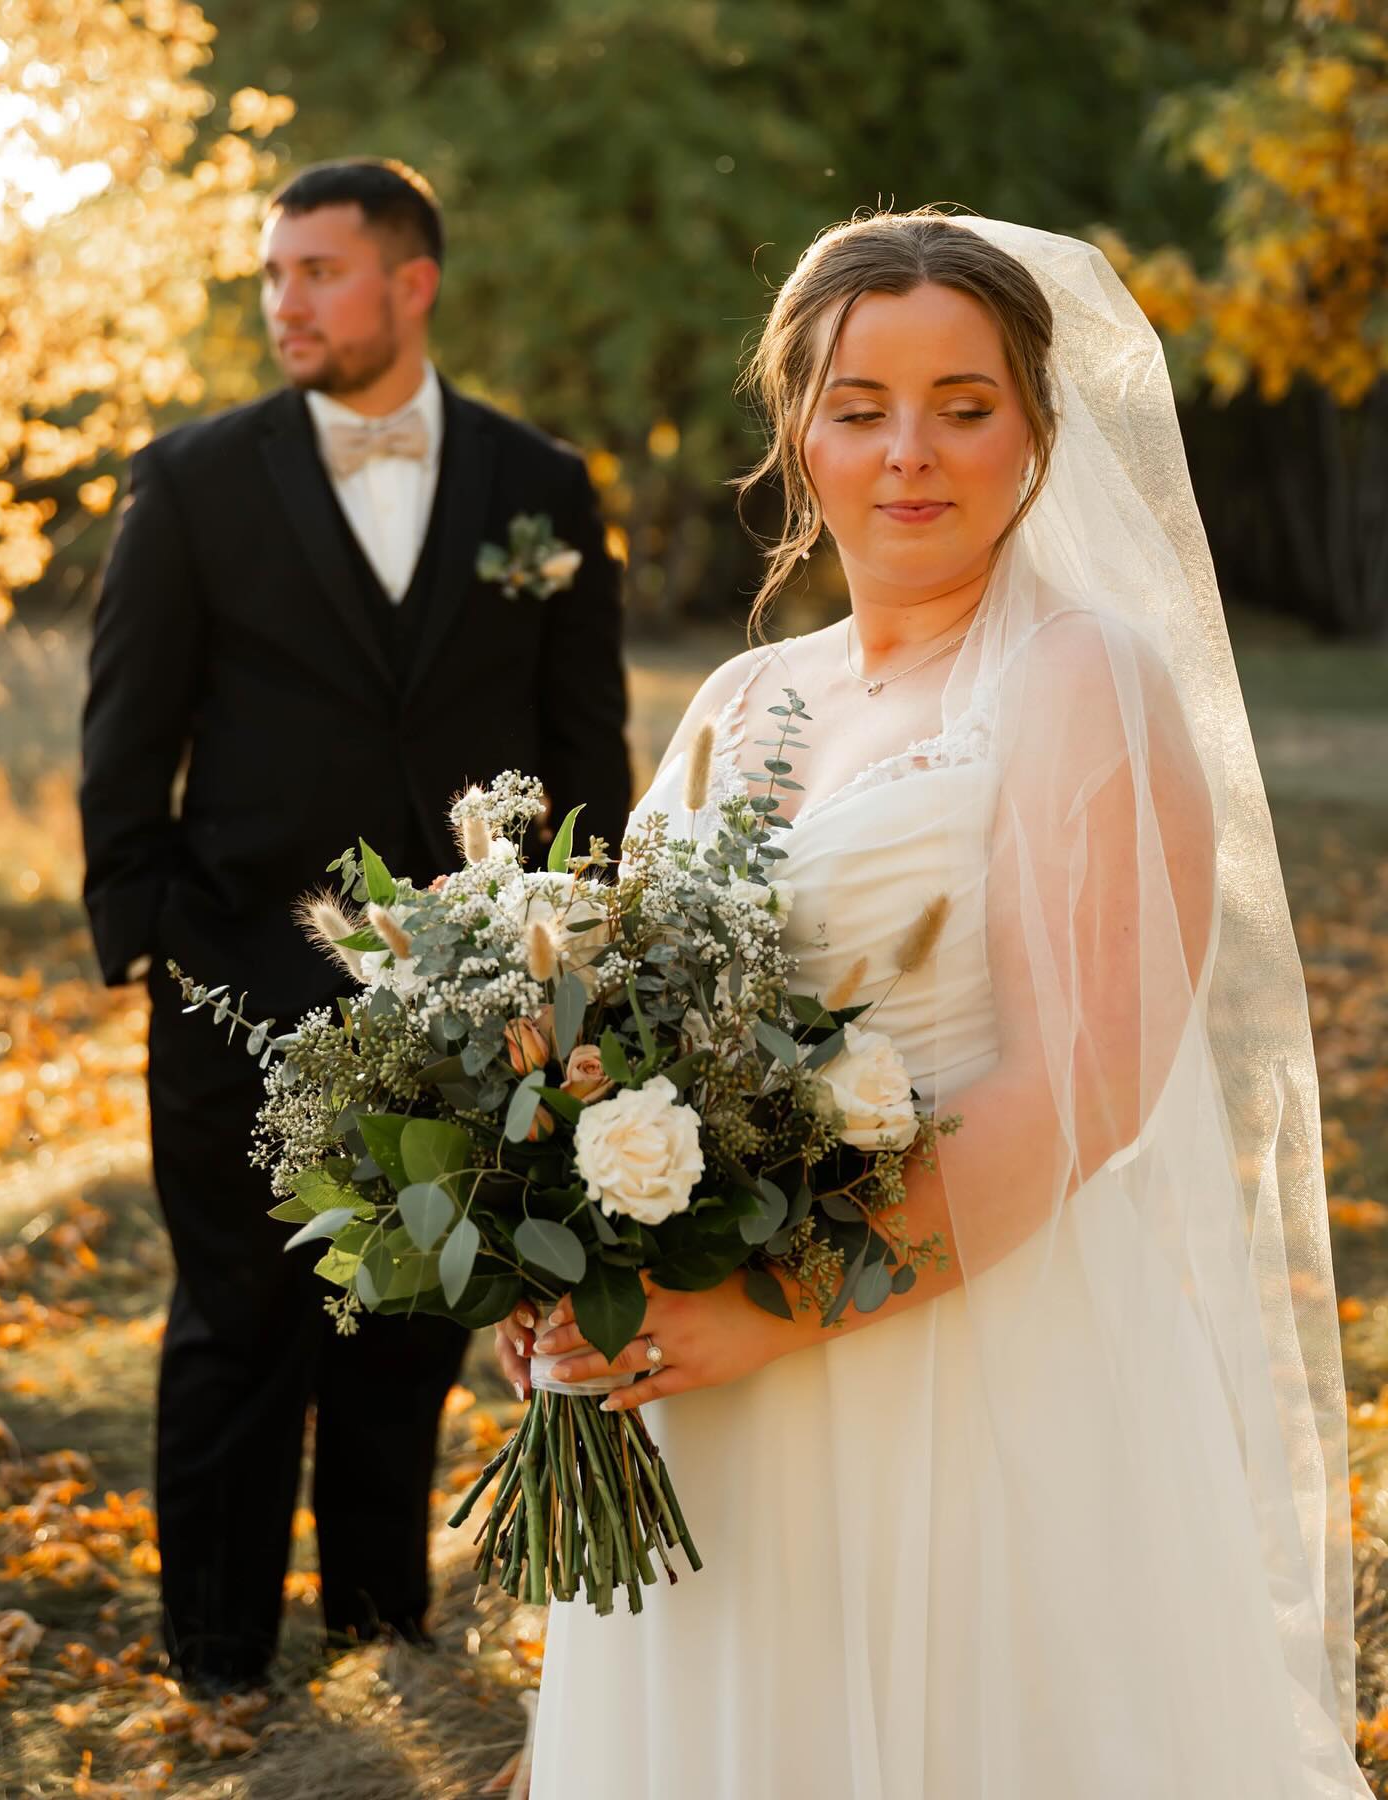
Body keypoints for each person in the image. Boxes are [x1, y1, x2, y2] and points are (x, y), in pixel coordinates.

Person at [502, 211, 1371, 1796]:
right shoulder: (740, 698)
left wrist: (773, 1313)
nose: (911, 452)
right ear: (798, 430)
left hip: (962, 1374)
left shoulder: (1079, 681)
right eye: (860, 406)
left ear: (1035, 428)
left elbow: (1079, 1091)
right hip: (696, 1390)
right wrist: (563, 1269)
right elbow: (616, 1049)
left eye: (964, 406)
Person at [79, 156, 631, 1693]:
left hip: (470, 996)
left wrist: (580, 947)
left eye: (316, 271)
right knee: (239, 1324)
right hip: (236, 977)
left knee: (416, 1326)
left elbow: (586, 747)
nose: (285, 304)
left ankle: (382, 1629)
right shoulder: (189, 481)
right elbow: (126, 733)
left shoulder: (541, 491)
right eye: (273, 277)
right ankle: (219, 1661)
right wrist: (155, 939)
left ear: (412, 282)